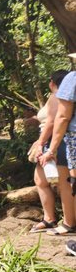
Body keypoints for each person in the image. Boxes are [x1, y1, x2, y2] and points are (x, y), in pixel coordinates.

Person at [28, 70, 73, 233]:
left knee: (64, 183)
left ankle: (67, 222)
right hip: (52, 141)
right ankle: (50, 218)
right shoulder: (62, 96)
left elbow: (53, 121)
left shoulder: (56, 96)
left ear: (52, 82)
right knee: (41, 180)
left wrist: (41, 143)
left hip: (54, 142)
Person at [39, 65, 76, 241]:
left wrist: (49, 149)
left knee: (69, 182)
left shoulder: (72, 79)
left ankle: (69, 223)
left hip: (72, 138)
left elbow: (61, 118)